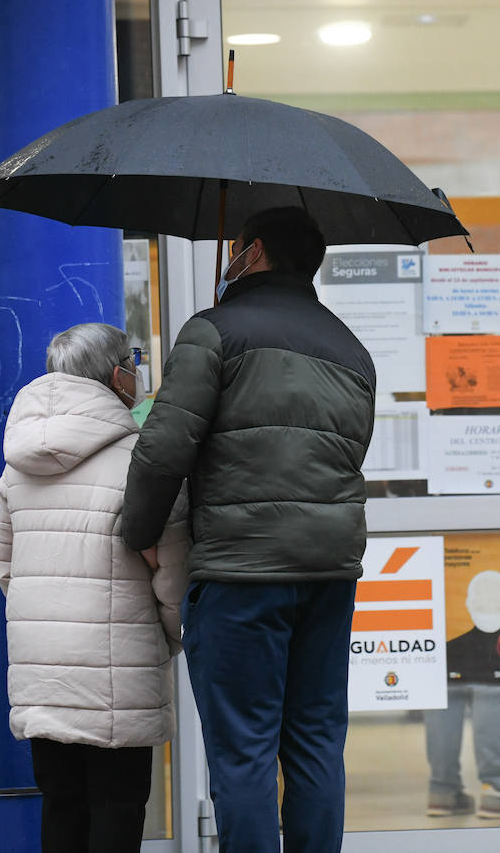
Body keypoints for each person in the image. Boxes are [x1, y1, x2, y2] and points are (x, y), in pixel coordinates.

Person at [122, 206, 376, 853]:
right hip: (329, 571)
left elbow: (162, 450)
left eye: (235, 248)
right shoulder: (353, 349)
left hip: (241, 573)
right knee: (317, 741)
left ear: (253, 252)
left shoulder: (214, 332)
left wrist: (139, 532)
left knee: (246, 753)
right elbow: (346, 455)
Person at [0, 323, 188, 852]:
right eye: (133, 360)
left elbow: (2, 564)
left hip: (42, 666)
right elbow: (171, 574)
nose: (138, 370)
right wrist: (171, 633)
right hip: (118, 667)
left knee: (61, 806)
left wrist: (47, 620)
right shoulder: (138, 461)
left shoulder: (17, 463)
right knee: (118, 811)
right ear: (117, 373)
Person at [425, 571, 500, 819]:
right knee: (492, 684)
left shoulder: (452, 645)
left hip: (432, 559)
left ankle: (443, 789)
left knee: (445, 688)